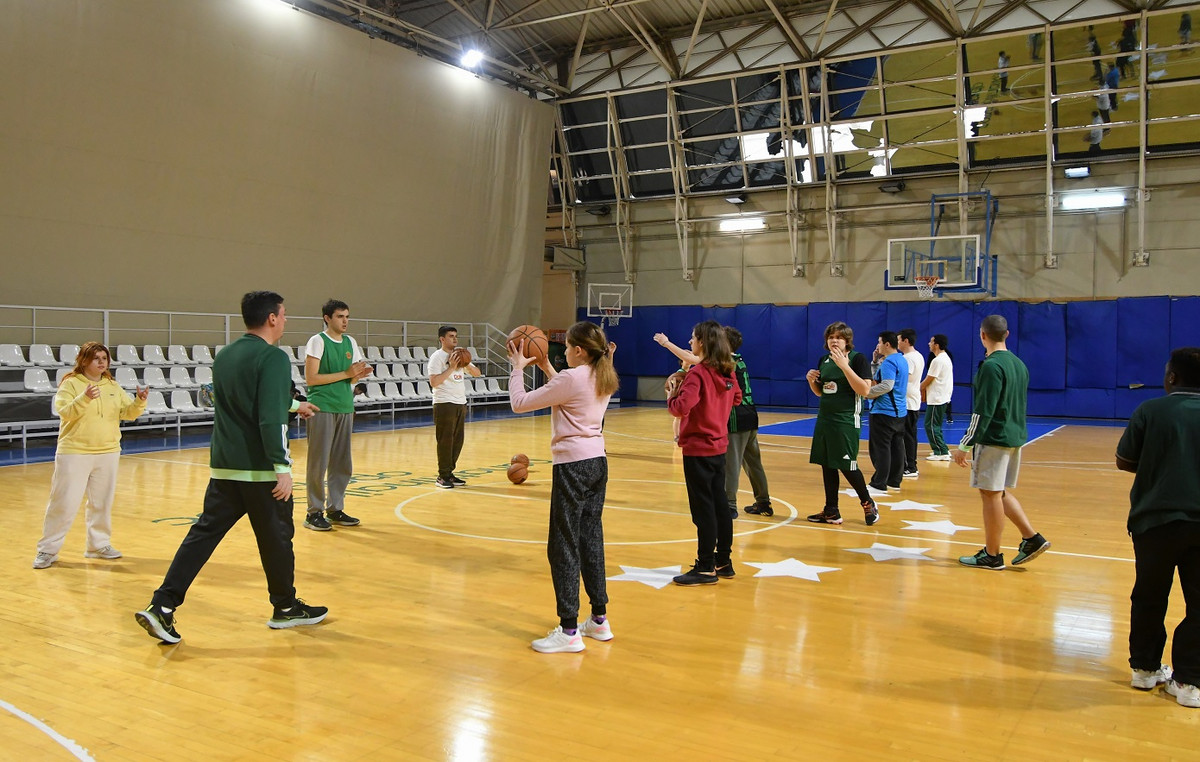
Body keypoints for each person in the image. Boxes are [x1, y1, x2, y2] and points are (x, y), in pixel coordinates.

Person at [135, 291, 325, 644]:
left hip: (225, 466)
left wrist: (292, 405)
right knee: (277, 541)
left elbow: (244, 401)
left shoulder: (225, 355)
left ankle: (162, 604)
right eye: (284, 314)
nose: (286, 320)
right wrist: (282, 466)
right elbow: (268, 418)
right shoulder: (273, 357)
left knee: (202, 536)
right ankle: (285, 606)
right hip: (261, 471)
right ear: (272, 318)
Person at [508, 322, 619, 654]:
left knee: (563, 545)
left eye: (568, 347)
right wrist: (545, 366)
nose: (564, 351)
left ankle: (569, 630)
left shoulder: (572, 378)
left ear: (579, 351)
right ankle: (598, 619)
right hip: (597, 462)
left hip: (572, 466)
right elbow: (569, 392)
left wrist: (517, 369)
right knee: (590, 539)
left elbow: (519, 403)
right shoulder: (602, 374)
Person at [1116, 347, 1200, 708]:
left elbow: (1124, 460)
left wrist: (1159, 462)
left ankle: (1144, 669)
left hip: (1154, 523)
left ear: (1172, 377)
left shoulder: (1150, 410)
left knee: (1149, 596)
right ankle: (1190, 683)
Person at [33, 342, 148, 569]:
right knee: (64, 503)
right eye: (96, 358)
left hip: (108, 451)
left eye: (104, 358)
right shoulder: (71, 384)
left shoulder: (112, 385)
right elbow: (64, 412)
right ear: (84, 361)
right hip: (75, 452)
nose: (101, 362)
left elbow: (127, 413)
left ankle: (98, 545)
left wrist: (139, 401)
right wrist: (84, 398)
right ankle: (47, 550)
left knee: (101, 503)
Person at [952, 314, 1050, 570]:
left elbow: (983, 411)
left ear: (982, 335)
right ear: (1007, 334)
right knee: (997, 491)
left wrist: (964, 445)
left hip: (994, 438)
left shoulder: (991, 366)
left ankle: (992, 555)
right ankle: (1031, 537)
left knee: (990, 494)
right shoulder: (1019, 364)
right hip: (1014, 436)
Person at [667, 320, 741, 585]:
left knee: (703, 510)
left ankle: (706, 566)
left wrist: (672, 394)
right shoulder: (727, 371)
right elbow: (736, 398)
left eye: (693, 338)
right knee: (720, 505)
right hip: (719, 446)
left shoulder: (698, 373)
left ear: (703, 342)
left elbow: (680, 408)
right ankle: (724, 561)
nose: (690, 342)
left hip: (698, 448)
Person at [302, 298, 370, 531]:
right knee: (318, 462)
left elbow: (350, 378)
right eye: (340, 316)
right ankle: (313, 512)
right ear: (327, 318)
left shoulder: (351, 342)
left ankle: (335, 509)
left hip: (344, 406)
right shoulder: (317, 341)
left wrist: (358, 375)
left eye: (347, 317)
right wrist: (346, 373)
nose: (345, 321)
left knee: (342, 463)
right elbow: (311, 378)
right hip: (322, 406)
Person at [805, 322, 878, 526]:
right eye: (831, 337)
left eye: (838, 337)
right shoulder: (824, 360)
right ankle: (831, 510)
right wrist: (812, 381)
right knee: (827, 463)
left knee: (847, 464)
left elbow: (865, 390)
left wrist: (844, 366)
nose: (834, 340)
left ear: (847, 341)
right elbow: (822, 392)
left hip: (846, 420)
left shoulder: (857, 359)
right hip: (825, 419)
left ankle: (868, 503)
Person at [724, 327, 773, 518]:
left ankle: (729, 505)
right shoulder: (738, 359)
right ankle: (763, 502)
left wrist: (667, 344)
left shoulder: (727, 361)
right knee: (753, 462)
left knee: (732, 463)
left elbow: (698, 361)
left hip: (737, 416)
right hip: (750, 414)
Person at [428, 325, 481, 489]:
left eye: (456, 336)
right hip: (444, 403)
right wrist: (451, 367)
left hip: (460, 402)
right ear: (442, 339)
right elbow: (434, 382)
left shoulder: (460, 355)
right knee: (445, 441)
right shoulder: (437, 357)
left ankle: (449, 473)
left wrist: (466, 364)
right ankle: (442, 476)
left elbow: (477, 373)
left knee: (458, 441)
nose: (455, 339)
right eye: (451, 336)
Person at [866, 331, 908, 494]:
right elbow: (880, 379)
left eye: (879, 342)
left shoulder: (889, 362)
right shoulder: (901, 359)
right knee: (897, 447)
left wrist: (866, 392)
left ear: (887, 344)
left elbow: (887, 385)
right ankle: (894, 481)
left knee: (881, 448)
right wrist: (875, 362)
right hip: (899, 411)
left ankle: (879, 482)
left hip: (884, 411)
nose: (878, 345)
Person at [654, 332, 699, 446]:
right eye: (686, 356)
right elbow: (671, 387)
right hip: (679, 397)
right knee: (678, 417)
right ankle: (676, 436)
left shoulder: (693, 372)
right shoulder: (678, 375)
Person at [921, 334, 954, 462]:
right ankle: (942, 448)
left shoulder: (938, 360)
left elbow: (929, 379)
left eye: (931, 342)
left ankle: (941, 452)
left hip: (937, 398)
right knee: (935, 425)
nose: (929, 344)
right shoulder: (944, 358)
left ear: (937, 345)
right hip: (942, 396)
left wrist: (917, 388)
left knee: (930, 425)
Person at [898, 328, 925, 479]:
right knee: (910, 434)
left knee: (906, 435)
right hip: (912, 400)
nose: (897, 343)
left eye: (899, 340)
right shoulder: (918, 355)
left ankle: (910, 467)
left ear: (906, 341)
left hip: (907, 402)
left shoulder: (908, 358)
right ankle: (910, 465)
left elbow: (903, 379)